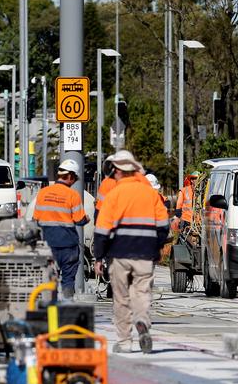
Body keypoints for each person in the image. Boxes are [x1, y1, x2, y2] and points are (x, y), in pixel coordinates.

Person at [93, 151, 169, 354]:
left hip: (119, 253)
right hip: (145, 252)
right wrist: (157, 247)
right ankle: (142, 320)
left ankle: (125, 342)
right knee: (142, 292)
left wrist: (99, 257)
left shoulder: (114, 195)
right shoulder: (151, 194)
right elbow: (163, 225)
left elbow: (102, 230)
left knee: (121, 297)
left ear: (118, 171)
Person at [33, 159, 89, 300]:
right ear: (70, 176)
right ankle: (67, 305)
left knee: (48, 278)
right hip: (67, 245)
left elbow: (36, 219)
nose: (74, 181)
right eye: (75, 178)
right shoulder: (72, 195)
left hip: (47, 244)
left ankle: (49, 308)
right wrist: (87, 218)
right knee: (68, 280)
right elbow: (80, 220)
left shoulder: (43, 193)